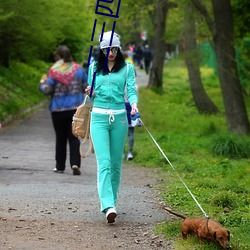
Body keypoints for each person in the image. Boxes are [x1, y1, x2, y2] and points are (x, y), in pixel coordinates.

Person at [85, 31, 138, 223]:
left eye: (115, 49)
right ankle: (107, 204)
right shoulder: (94, 67)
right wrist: (89, 91)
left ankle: (112, 201)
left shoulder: (127, 68)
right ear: (102, 50)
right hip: (98, 118)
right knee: (104, 162)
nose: (112, 53)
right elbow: (91, 97)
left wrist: (134, 104)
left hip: (120, 119)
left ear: (119, 49)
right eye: (108, 50)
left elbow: (131, 90)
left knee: (116, 164)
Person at [39, 45, 88, 175]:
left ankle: (60, 166)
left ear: (58, 57)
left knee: (60, 138)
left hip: (58, 109)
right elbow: (86, 87)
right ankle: (75, 163)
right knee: (74, 137)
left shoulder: (54, 71)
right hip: (75, 109)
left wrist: (42, 83)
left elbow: (47, 90)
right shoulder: (79, 70)